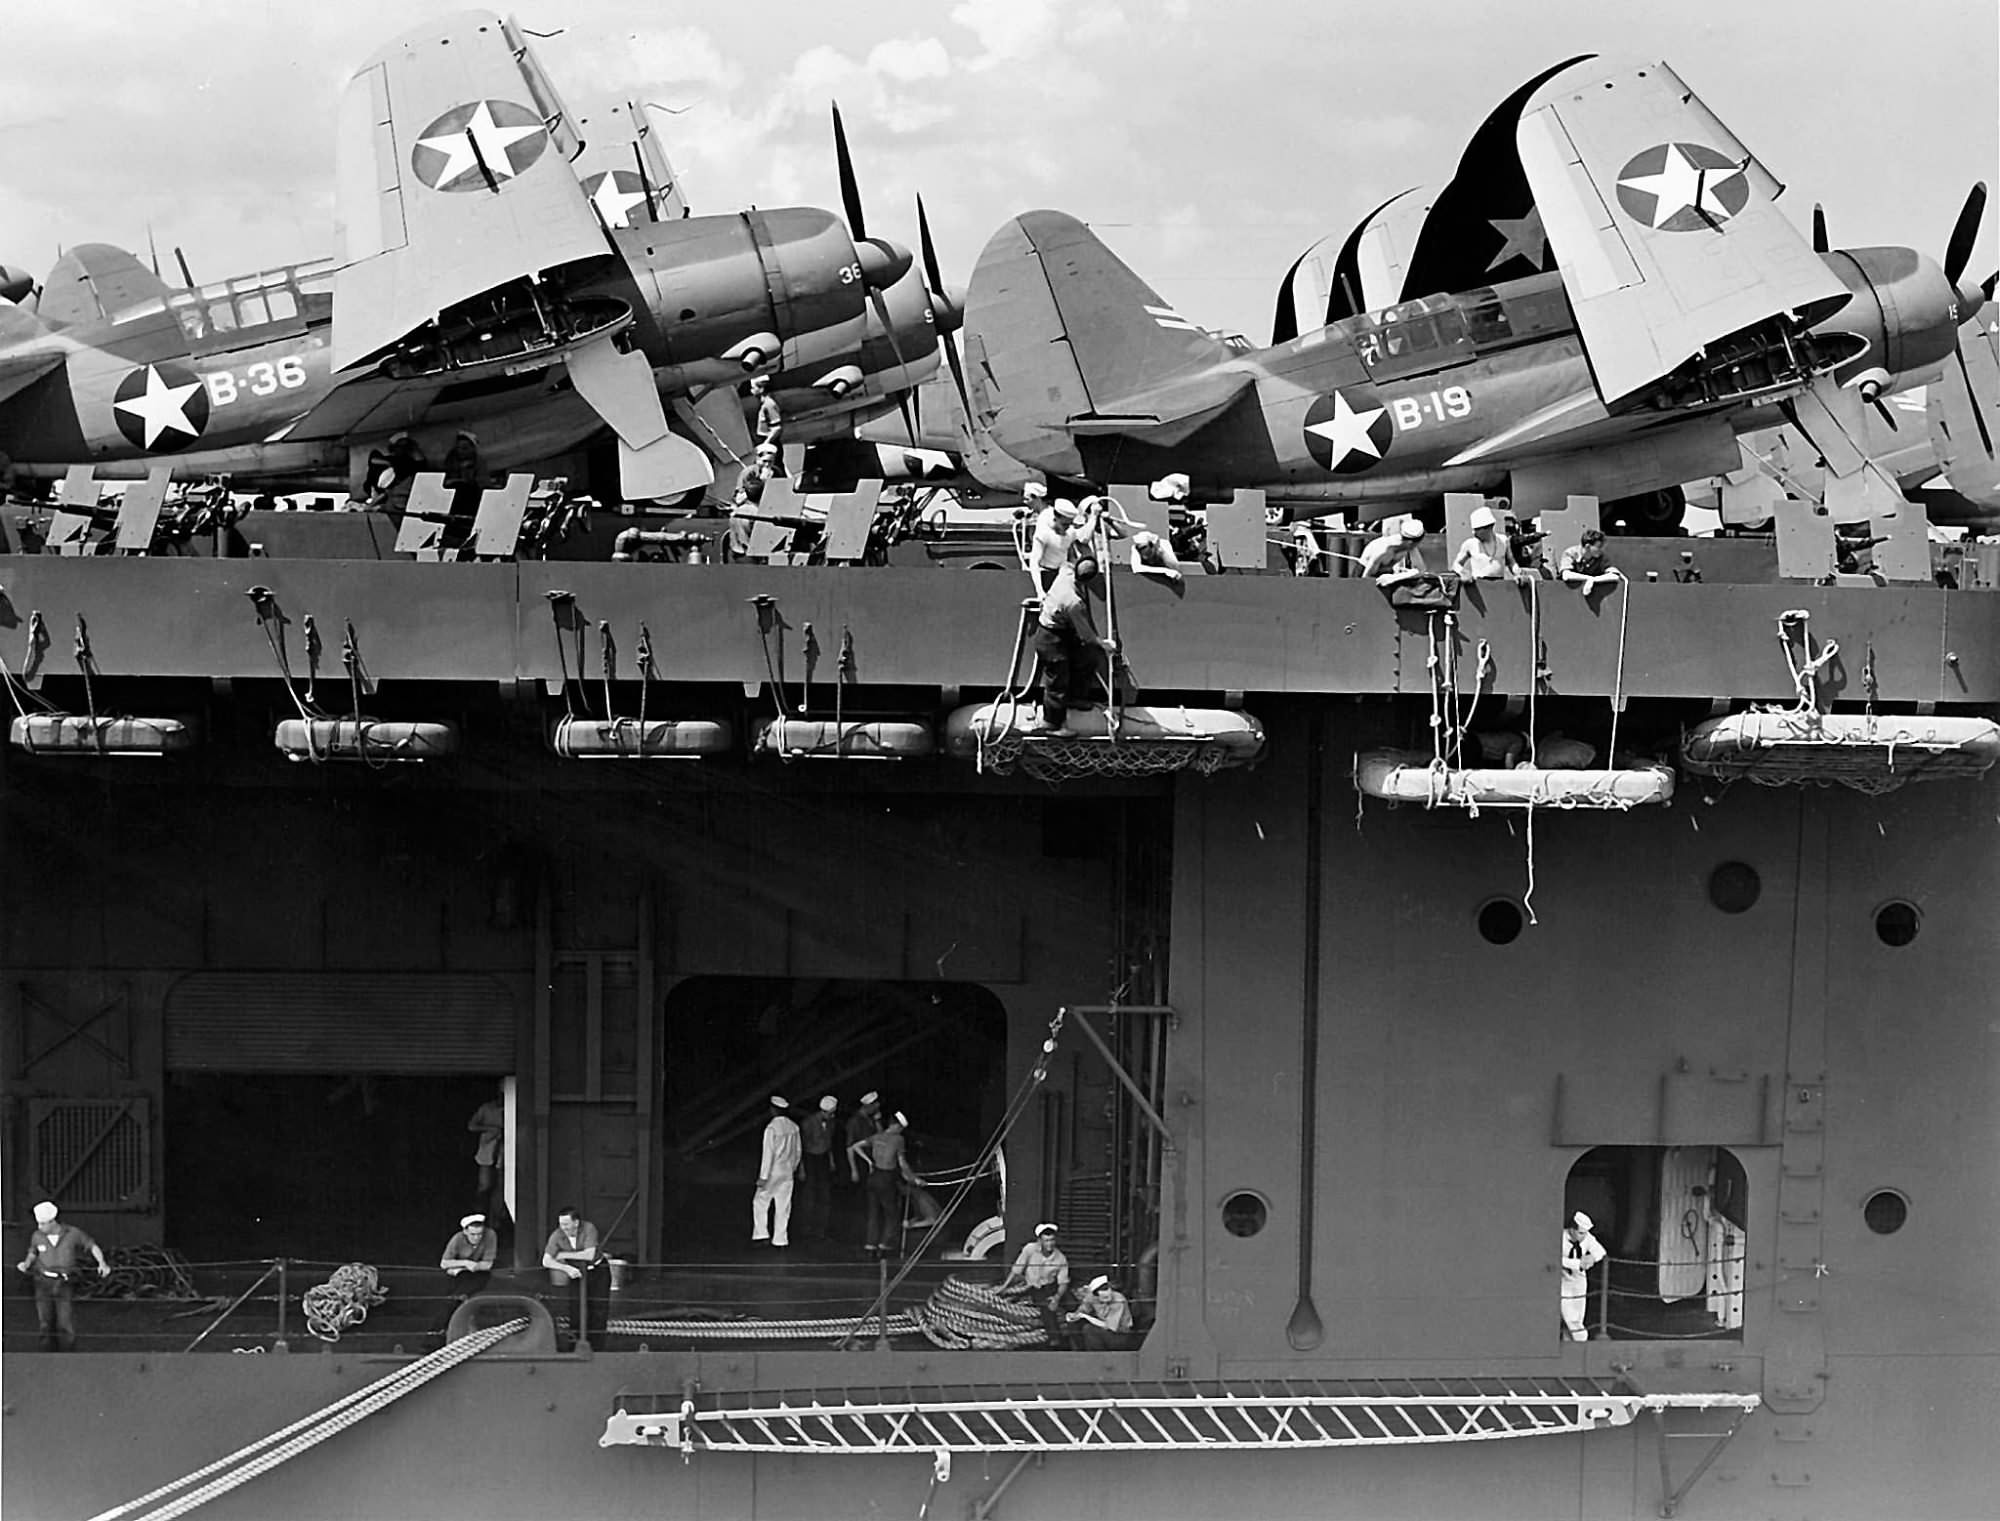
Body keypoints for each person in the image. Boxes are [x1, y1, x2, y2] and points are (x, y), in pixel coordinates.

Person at [1032, 557, 1118, 730]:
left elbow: (1066, 562)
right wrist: (1105, 645)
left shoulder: (1065, 571)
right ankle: (1052, 724)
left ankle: (1075, 698)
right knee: (1058, 679)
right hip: (1051, 638)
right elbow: (1087, 637)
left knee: (1085, 658)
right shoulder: (1074, 602)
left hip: (1061, 632)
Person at [16, 1201, 110, 1351]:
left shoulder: (73, 1233)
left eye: (43, 1224)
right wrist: (26, 1264)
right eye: (39, 1223)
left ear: (52, 1222)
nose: (39, 1227)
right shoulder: (37, 1236)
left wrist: (102, 1263)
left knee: (65, 1322)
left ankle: (67, 1355)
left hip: (64, 1282)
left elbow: (91, 1245)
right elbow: (33, 1252)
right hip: (43, 1281)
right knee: (45, 1322)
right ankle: (46, 1354)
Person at [849, 1110, 917, 1256]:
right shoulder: (898, 1139)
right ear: (897, 1126)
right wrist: (913, 1178)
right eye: (901, 1128)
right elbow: (902, 1163)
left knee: (873, 1213)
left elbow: (855, 1146)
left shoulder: (877, 1136)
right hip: (887, 1179)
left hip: (873, 1176)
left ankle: (870, 1246)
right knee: (891, 1213)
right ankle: (884, 1244)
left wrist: (869, 1161)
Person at [542, 1206, 608, 1347]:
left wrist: (563, 1255)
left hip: (598, 1271)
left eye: (566, 1224)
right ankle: (576, 1344)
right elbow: (546, 1261)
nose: (563, 1228)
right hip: (575, 1272)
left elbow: (589, 1254)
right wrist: (565, 1268)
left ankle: (598, 1347)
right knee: (575, 1309)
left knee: (599, 1309)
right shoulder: (557, 1235)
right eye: (560, 1224)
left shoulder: (589, 1228)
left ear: (576, 1223)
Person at [999, 1222, 1070, 1345]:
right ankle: (1056, 1339)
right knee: (1046, 1305)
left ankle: (1076, 1333)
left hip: (1051, 1285)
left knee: (1069, 1302)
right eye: (1046, 1240)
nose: (1050, 1244)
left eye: (1052, 1240)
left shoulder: (1060, 1258)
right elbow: (1016, 1270)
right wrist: (1004, 1287)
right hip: (1034, 1286)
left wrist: (1057, 1298)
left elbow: (1063, 1282)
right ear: (1039, 1241)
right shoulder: (1029, 1249)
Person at [753, 1095, 802, 1248]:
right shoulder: (794, 1127)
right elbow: (798, 1150)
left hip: (774, 1170)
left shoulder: (771, 1128)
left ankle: (761, 1234)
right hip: (787, 1171)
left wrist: (763, 1176)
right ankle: (780, 1239)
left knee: (760, 1201)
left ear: (773, 1110)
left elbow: (768, 1154)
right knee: (784, 1205)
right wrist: (793, 1167)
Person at [1029, 495, 1091, 598]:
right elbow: (1034, 563)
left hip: (1062, 576)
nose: (1067, 528)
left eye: (1069, 524)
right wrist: (1040, 591)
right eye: (1064, 524)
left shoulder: (1070, 533)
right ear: (1055, 518)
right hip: (1045, 575)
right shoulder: (1043, 534)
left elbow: (1081, 541)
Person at [1560, 1210, 1607, 1342]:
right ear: (1572, 1229)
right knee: (1568, 1314)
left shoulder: (1587, 1237)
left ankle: (1568, 1342)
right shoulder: (1560, 1238)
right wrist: (1577, 1263)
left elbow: (1600, 1251)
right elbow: (1557, 1260)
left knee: (1578, 1314)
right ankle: (1582, 1339)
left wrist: (1591, 1257)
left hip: (1579, 1281)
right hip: (1563, 1280)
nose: (1583, 1236)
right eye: (1580, 1233)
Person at [797, 1095, 838, 1242]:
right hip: (810, 1158)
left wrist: (831, 1159)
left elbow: (829, 1141)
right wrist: (801, 1167)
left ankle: (821, 1229)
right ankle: (806, 1228)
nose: (832, 1116)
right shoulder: (808, 1123)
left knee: (824, 1194)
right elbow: (801, 1146)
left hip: (824, 1158)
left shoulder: (831, 1122)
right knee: (809, 1193)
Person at [1064, 1273, 1134, 1350]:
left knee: (1088, 1329)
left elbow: (1109, 1326)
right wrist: (1074, 1315)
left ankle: (1098, 1356)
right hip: (1102, 1328)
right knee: (1074, 1324)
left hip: (1119, 1335)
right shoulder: (1092, 1297)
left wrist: (1086, 1316)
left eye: (1108, 1290)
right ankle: (1080, 1352)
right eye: (1104, 1297)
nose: (1108, 1295)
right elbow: (1083, 1309)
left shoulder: (1118, 1300)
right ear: (1096, 1295)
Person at [1452, 505, 1522, 582]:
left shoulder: (1503, 541)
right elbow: (1456, 564)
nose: (1474, 533)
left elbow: (1512, 562)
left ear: (1489, 527)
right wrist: (1463, 572)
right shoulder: (1470, 544)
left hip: (1499, 585)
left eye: (1477, 529)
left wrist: (1518, 574)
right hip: (1479, 584)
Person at [439, 1212, 497, 1298]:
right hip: (459, 1277)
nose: (476, 1238)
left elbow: (488, 1264)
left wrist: (473, 1266)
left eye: (480, 1234)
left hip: (480, 1275)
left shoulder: (490, 1235)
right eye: (473, 1234)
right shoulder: (457, 1238)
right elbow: (444, 1263)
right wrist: (466, 1263)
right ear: (465, 1231)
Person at [1358, 517, 1429, 584]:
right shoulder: (1383, 551)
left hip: (1384, 578)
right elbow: (1365, 579)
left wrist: (1394, 577)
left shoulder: (1409, 547)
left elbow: (1421, 570)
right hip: (1362, 577)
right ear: (1410, 542)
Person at [468, 1086, 505, 1196]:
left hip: (504, 1151)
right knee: (485, 1184)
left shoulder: (514, 1108)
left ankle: (497, 1212)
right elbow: (471, 1126)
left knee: (501, 1185)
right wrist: (490, 1129)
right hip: (487, 1150)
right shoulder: (487, 1108)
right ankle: (479, 1209)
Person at [1558, 527, 1620, 593]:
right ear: (1587, 547)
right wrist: (1589, 578)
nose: (1602, 549)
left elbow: (1614, 576)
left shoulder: (1601, 557)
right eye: (1599, 547)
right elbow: (1566, 575)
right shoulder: (1570, 553)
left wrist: (1594, 580)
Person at [751, 375, 783, 449]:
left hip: (770, 443)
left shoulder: (769, 404)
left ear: (761, 389)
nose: (751, 390)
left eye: (753, 388)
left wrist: (766, 444)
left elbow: (777, 428)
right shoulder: (763, 404)